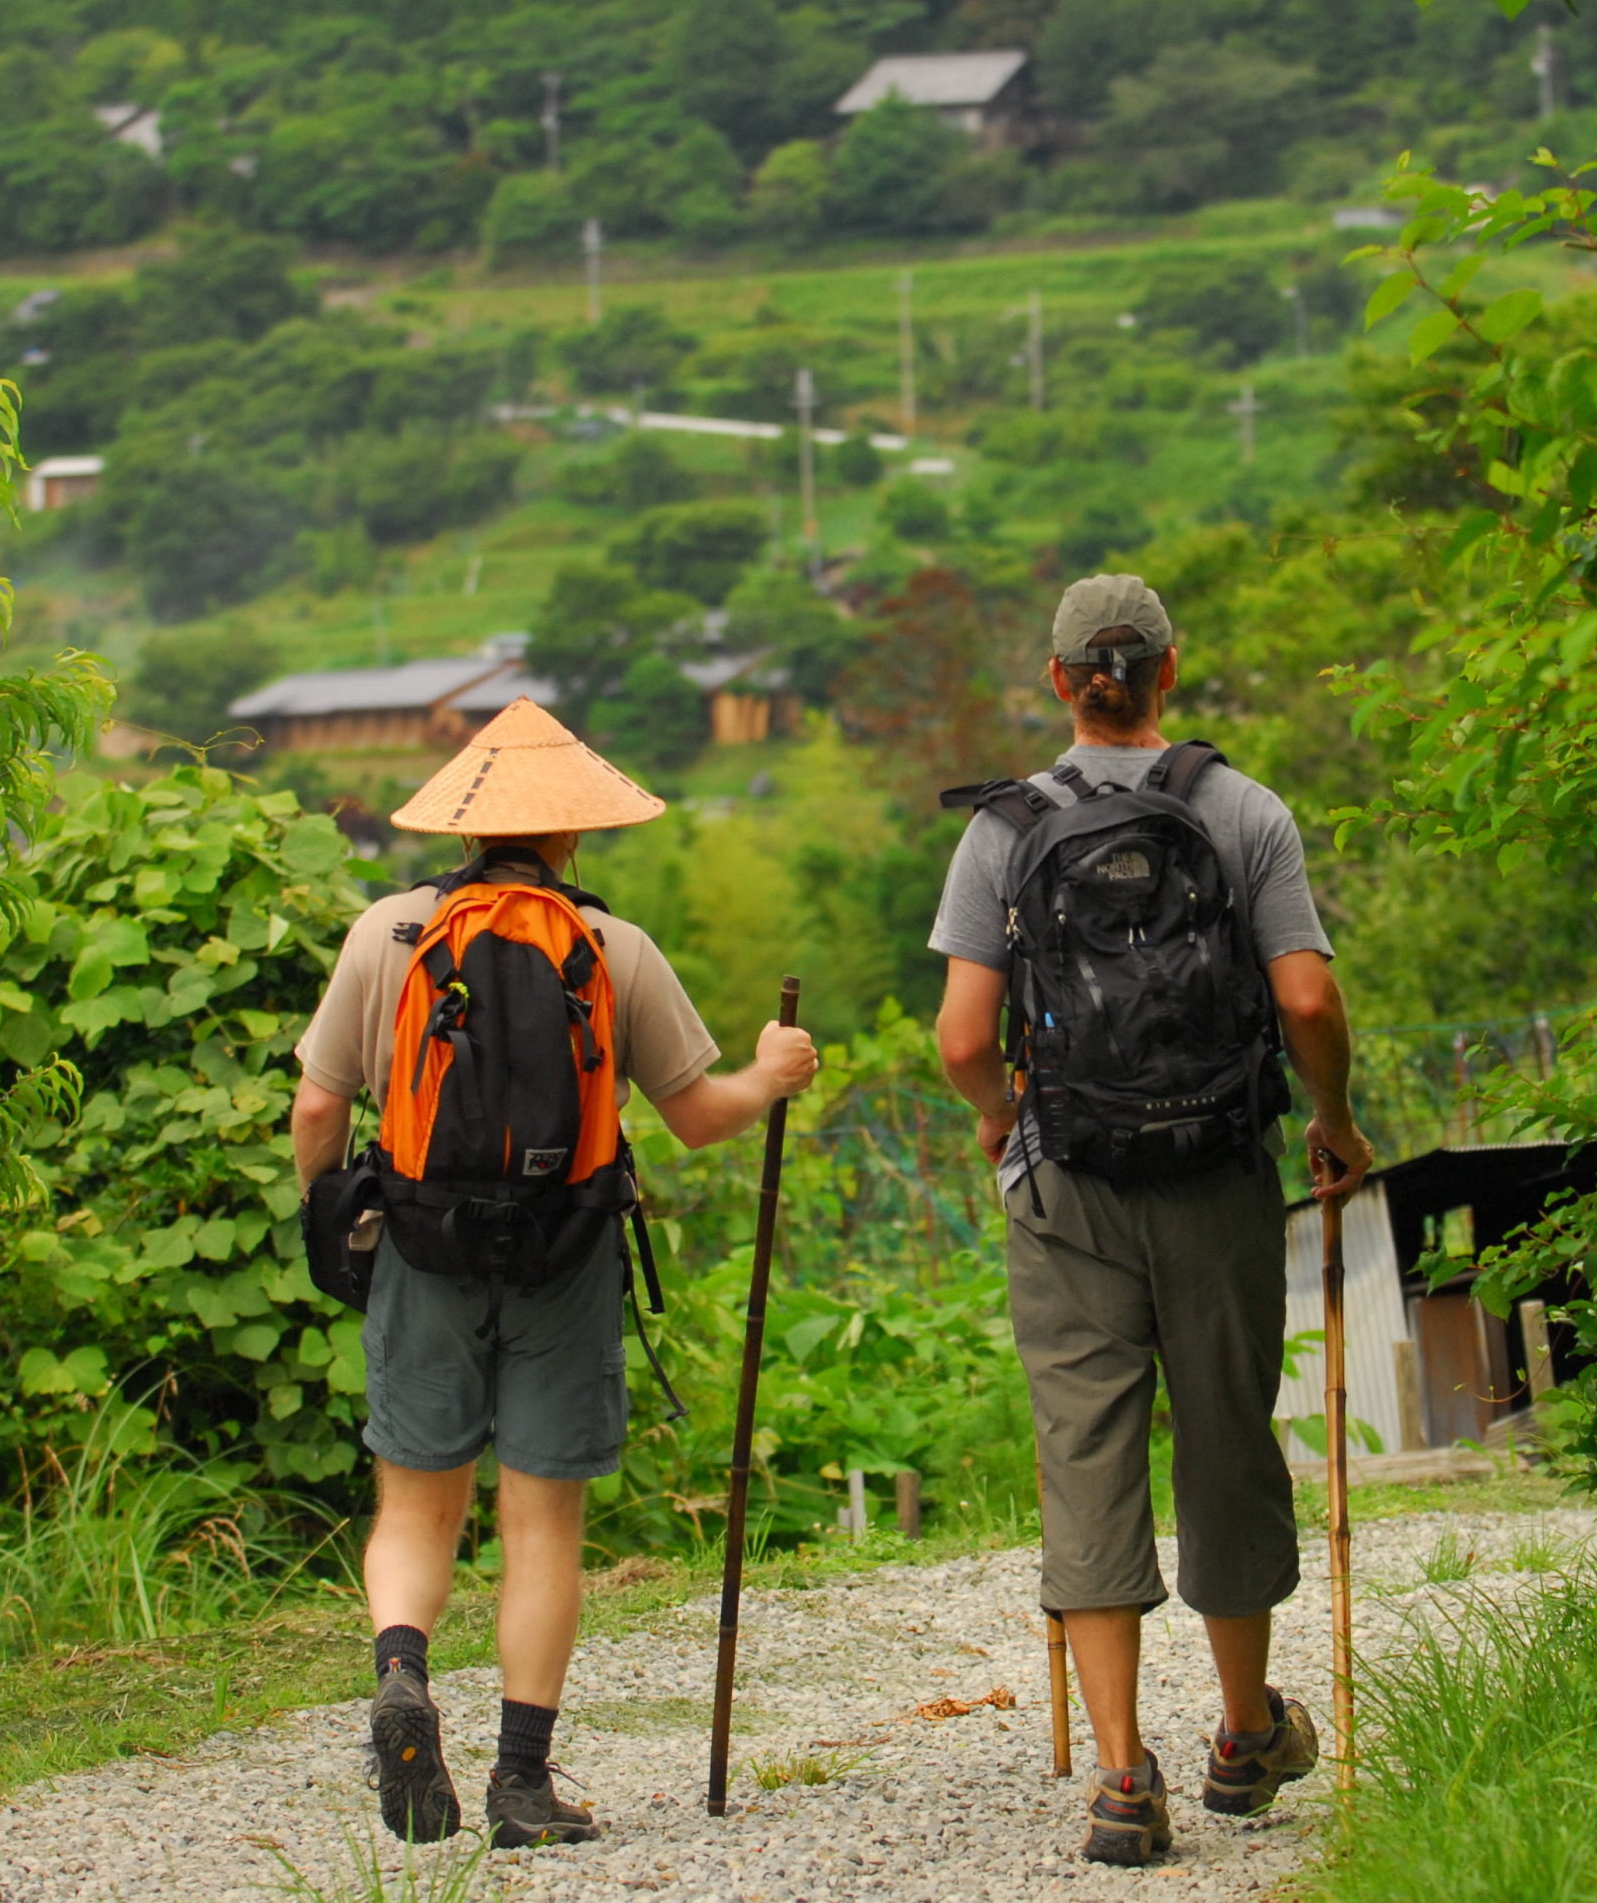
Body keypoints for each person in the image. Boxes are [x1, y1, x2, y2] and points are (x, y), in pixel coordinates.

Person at [289, 699, 818, 1849]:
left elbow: (319, 1103)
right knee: (542, 1525)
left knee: (417, 1503)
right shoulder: (613, 948)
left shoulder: (387, 934)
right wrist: (773, 1075)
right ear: (572, 833)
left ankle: (401, 1674)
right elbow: (695, 1116)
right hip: (565, 1252)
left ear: (463, 831)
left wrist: (330, 1210)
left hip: (421, 1246)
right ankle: (521, 1785)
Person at [928, 574, 1374, 1866]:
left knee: (1088, 1450)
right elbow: (1305, 1006)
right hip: (1221, 1178)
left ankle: (1125, 1775)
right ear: (1168, 674)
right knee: (1229, 1437)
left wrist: (1002, 1118)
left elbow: (962, 1039)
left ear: (1060, 682)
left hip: (1070, 1187)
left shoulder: (1006, 829)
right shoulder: (1245, 813)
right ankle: (1245, 1732)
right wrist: (1334, 1120)